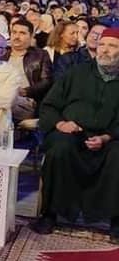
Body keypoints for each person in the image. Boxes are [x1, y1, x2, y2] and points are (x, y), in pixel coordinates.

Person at [30, 27, 119, 245]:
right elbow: (49, 106)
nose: (105, 50)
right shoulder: (76, 72)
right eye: (103, 44)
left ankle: (116, 220)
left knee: (117, 155)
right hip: (71, 133)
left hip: (110, 139)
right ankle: (50, 214)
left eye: (113, 46)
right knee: (60, 148)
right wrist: (61, 123)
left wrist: (107, 137)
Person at [5, 19, 53, 120]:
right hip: (2, 97)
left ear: (31, 37)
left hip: (25, 101)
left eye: (22, 33)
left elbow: (47, 81)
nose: (17, 36)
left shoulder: (40, 55)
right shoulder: (2, 55)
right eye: (14, 32)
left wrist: (25, 91)